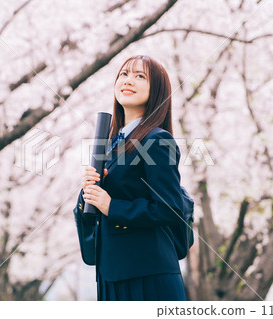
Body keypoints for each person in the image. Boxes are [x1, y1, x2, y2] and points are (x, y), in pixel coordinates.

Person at [74, 55, 187, 301]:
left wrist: (111, 206)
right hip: (111, 273)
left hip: (147, 275)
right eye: (124, 74)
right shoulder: (112, 143)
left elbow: (170, 209)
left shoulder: (158, 140)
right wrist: (88, 192)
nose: (128, 80)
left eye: (140, 76)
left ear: (156, 89)